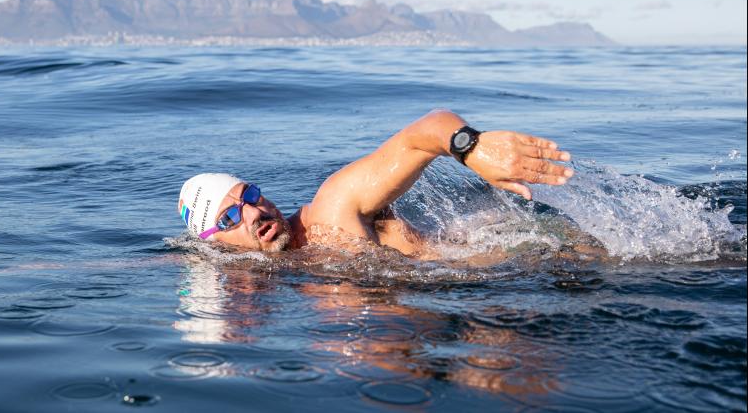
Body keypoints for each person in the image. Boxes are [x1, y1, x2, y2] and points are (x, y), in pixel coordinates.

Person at [177, 110, 573, 257]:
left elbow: (421, 134)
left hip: (545, 263)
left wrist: (471, 148)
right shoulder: (258, 271)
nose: (253, 210)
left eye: (249, 194)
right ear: (214, 242)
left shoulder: (332, 209)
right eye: (230, 216)